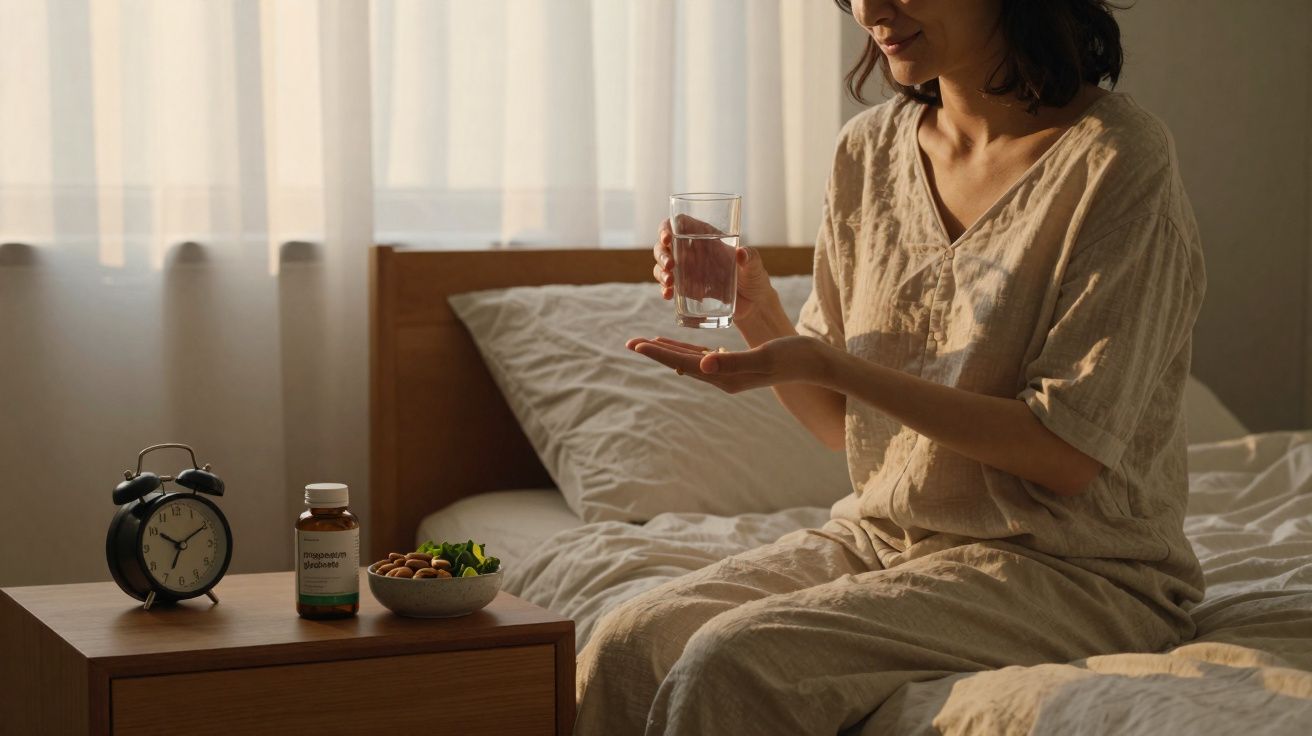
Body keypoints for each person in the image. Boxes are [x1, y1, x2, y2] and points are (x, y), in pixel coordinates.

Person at [578, 0, 1206, 733]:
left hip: (1074, 572)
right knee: (628, 642)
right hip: (885, 541)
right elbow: (837, 426)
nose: (870, 9)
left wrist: (838, 367)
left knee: (735, 661)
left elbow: (1063, 452)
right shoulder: (867, 152)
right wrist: (755, 310)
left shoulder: (1116, 158)